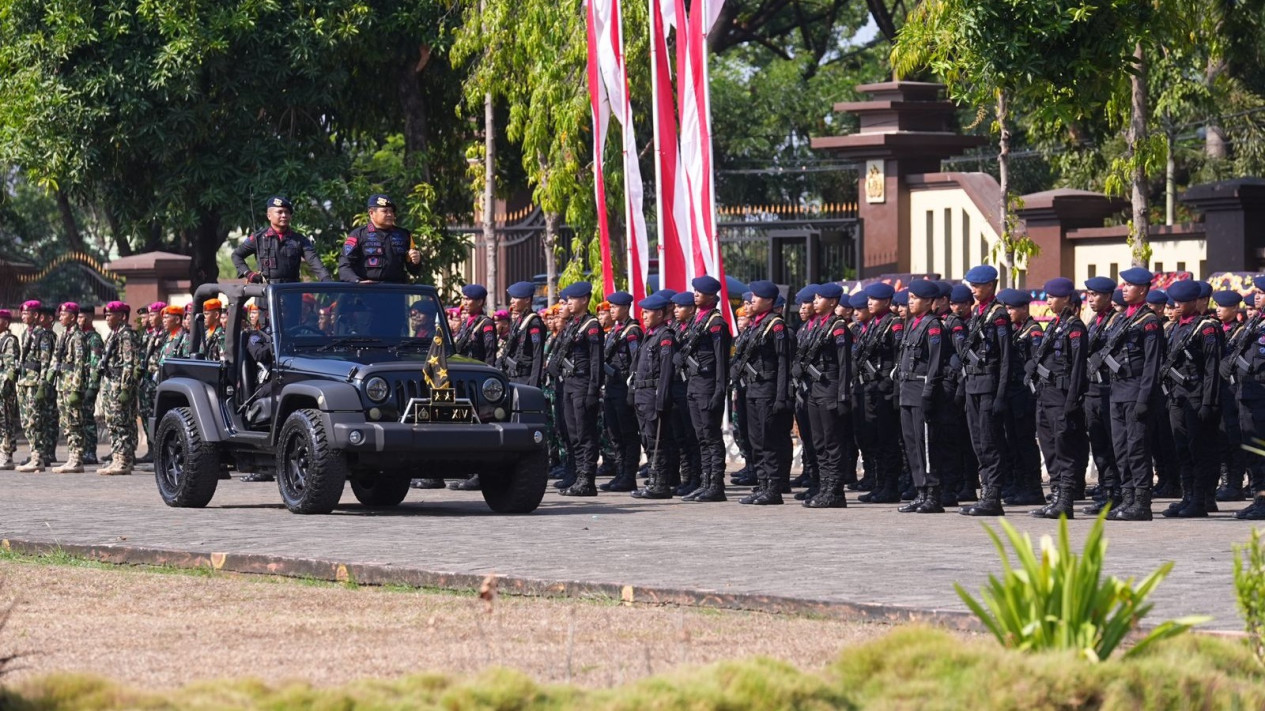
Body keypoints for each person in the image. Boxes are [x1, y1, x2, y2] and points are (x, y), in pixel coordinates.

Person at [1101, 267, 1163, 521]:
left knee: (1137, 448)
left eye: (1128, 285)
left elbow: (1152, 365)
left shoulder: (1149, 322)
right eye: (1123, 284)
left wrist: (1144, 398)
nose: (1123, 288)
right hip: (1117, 391)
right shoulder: (1123, 319)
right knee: (1121, 448)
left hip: (1136, 391)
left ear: (1143, 289)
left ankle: (1141, 502)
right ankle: (1127, 499)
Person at [1158, 279, 1222, 518]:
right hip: (1177, 396)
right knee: (1182, 448)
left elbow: (1212, 368)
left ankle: (1201, 499)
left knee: (1199, 449)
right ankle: (1187, 497)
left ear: (1195, 302)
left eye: (1183, 302)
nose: (1177, 305)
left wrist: (1209, 402)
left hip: (1197, 395)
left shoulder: (1206, 328)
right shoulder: (1175, 327)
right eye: (1175, 301)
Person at [1028, 278, 1088, 519]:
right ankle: (1055, 496)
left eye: (1053, 296)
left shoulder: (1075, 328)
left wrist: (1072, 400)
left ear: (1066, 299)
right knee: (1050, 447)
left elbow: (1077, 368)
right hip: (1046, 395)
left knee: (1065, 448)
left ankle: (1066, 500)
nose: (1049, 300)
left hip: (1063, 397)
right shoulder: (1055, 325)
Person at [957, 264, 1013, 516]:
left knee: (990, 441)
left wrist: (1001, 393)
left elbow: (1005, 358)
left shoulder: (998, 314)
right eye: (972, 286)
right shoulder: (979, 312)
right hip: (973, 384)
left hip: (989, 385)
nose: (974, 290)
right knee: (978, 441)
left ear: (991, 285)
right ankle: (986, 492)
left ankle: (993, 496)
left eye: (978, 286)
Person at [738, 280, 792, 505]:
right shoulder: (756, 324)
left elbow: (783, 364)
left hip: (768, 390)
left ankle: (773, 487)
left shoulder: (775, 325)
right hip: (752, 389)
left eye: (756, 297)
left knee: (769, 439)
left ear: (769, 301)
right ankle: (762, 483)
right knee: (756, 439)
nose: (751, 301)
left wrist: (781, 396)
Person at [895, 280, 947, 513]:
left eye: (915, 298)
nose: (910, 301)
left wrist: (929, 392)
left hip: (921, 391)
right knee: (911, 444)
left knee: (925, 444)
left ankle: (933, 494)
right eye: (910, 297)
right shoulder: (913, 324)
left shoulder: (933, 325)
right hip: (907, 390)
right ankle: (920, 491)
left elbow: (935, 364)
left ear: (928, 301)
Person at [678, 276, 731, 502]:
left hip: (709, 386)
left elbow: (721, 360)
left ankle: (716, 485)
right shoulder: (696, 320)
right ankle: (705, 482)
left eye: (700, 291)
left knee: (711, 436)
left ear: (711, 295)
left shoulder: (716, 323)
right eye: (695, 291)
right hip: (694, 384)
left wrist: (720, 391)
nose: (695, 294)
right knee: (701, 437)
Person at [801, 282, 854, 509]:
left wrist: (843, 396)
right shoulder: (815, 326)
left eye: (819, 298)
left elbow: (845, 365)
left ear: (832, 302)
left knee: (833, 443)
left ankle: (835, 491)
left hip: (830, 388)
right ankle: (824, 487)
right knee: (819, 443)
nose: (814, 302)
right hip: (814, 390)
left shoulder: (838, 327)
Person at [553, 282, 604, 496]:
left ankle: (587, 480)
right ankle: (577, 475)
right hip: (569, 384)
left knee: (585, 434)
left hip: (583, 384)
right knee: (573, 434)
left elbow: (596, 361)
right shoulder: (574, 324)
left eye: (572, 299)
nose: (569, 303)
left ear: (584, 299)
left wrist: (593, 390)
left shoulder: (591, 325)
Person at [854, 283, 902, 504]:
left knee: (888, 440)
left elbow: (898, 358)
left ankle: (890, 486)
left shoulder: (894, 324)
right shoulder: (873, 324)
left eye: (875, 299)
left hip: (885, 389)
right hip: (870, 388)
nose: (870, 303)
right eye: (869, 299)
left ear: (886, 301)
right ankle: (879, 483)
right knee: (873, 439)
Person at [998, 288, 1045, 506]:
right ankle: (1018, 485)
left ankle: (1033, 488)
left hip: (1025, 395)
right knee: (1012, 442)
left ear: (1024, 308)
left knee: (1025, 442)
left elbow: (1035, 362)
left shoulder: (1033, 331)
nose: (1008, 312)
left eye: (1011, 308)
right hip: (1012, 393)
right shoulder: (1015, 330)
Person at [630, 293, 678, 499]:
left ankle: (661, 484)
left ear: (659, 313)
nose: (644, 315)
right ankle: (654, 479)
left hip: (653, 395)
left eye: (647, 312)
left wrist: (662, 397)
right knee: (647, 440)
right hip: (642, 394)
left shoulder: (665, 336)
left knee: (657, 439)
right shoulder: (649, 335)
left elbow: (667, 371)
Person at [1082, 277, 1123, 514]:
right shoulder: (1094, 322)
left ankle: (1117, 493)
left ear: (1108, 296)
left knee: (1113, 444)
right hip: (1092, 391)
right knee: (1098, 445)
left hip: (1108, 390)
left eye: (1095, 295)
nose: (1091, 299)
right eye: (1089, 294)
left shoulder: (1116, 321)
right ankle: (1106, 491)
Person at [1227, 276, 1265, 520]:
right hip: (1247, 394)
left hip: (1261, 395)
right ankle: (1258, 497)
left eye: (1262, 292)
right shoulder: (1256, 323)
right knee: (1252, 450)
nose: (1257, 296)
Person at [598, 291, 643, 493]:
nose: (612, 310)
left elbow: (635, 361)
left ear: (625, 308)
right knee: (613, 433)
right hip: (611, 387)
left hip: (623, 387)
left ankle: (628, 476)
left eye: (615, 307)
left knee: (627, 433)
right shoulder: (615, 330)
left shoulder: (632, 331)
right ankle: (620, 472)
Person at [232, 196, 332, 284]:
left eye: (287, 212)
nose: (284, 215)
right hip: (266, 297)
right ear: (269, 216)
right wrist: (248, 274)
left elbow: (314, 261)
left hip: (291, 295)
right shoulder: (259, 238)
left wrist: (327, 279)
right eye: (279, 212)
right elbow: (236, 255)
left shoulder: (300, 240)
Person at [97, 301, 143, 476]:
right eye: (106, 315)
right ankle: (118, 457)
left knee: (122, 422)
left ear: (122, 316)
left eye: (111, 315)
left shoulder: (126, 335)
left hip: (120, 384)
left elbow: (129, 363)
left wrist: (125, 388)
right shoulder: (113, 335)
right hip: (111, 383)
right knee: (113, 422)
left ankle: (123, 460)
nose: (107, 318)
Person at [338, 194, 422, 283]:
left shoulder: (404, 235)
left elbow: (415, 271)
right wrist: (357, 281)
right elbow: (345, 266)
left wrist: (416, 261)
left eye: (392, 211)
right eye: (385, 211)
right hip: (367, 291)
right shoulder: (358, 235)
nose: (390, 214)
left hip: (396, 292)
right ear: (371, 213)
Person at [50, 303, 90, 473]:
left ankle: (77, 458)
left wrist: (76, 388)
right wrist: (51, 373)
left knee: (74, 421)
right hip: (62, 383)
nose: (60, 317)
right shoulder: (62, 335)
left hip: (72, 383)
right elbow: (56, 357)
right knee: (65, 422)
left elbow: (80, 364)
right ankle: (71, 456)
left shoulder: (78, 337)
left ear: (72, 317)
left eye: (63, 314)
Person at [16, 300, 55, 472]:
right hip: (25, 381)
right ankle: (35, 454)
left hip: (35, 382)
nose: (24, 316)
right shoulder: (27, 333)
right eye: (23, 313)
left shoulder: (43, 335)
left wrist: (43, 384)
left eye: (27, 313)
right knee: (26, 421)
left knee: (35, 420)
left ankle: (39, 456)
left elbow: (46, 362)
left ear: (36, 315)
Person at [499, 282, 546, 388]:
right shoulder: (519, 321)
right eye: (512, 297)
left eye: (516, 298)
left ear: (527, 300)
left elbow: (537, 356)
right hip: (512, 377)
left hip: (525, 379)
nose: (511, 301)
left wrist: (534, 385)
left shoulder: (534, 323)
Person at [137, 301, 167, 463]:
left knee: (158, 415)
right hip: (147, 381)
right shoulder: (152, 334)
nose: (149, 317)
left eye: (153, 314)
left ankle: (158, 450)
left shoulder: (165, 335)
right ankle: (151, 448)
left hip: (157, 382)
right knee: (146, 414)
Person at [79, 306, 104, 464]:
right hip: (78, 383)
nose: (78, 320)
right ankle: (82, 449)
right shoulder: (80, 336)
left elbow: (95, 365)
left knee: (87, 418)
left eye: (81, 317)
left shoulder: (93, 338)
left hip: (88, 384)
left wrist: (92, 386)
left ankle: (90, 452)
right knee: (80, 417)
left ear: (88, 317)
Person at [453, 284, 497, 366]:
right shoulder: (465, 323)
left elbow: (490, 352)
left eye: (468, 299)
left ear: (480, 302)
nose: (464, 303)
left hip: (477, 369)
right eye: (463, 299)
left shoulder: (486, 323)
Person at [0, 310, 18, 469]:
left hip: (3, 388)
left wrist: (6, 385)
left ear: (5, 322)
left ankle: (6, 455)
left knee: (5, 421)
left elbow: (10, 366)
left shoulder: (9, 340)